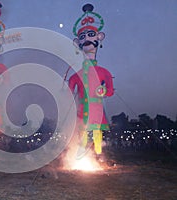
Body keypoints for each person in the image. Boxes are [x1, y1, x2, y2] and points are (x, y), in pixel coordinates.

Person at [69, 4, 114, 157]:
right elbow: (68, 92)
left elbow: (110, 91)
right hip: (82, 110)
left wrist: (104, 91)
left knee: (96, 132)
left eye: (91, 35)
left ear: (99, 38)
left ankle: (99, 156)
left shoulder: (104, 73)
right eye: (82, 37)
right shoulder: (75, 75)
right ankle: (80, 155)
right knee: (82, 132)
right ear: (77, 43)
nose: (87, 39)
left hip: (96, 108)